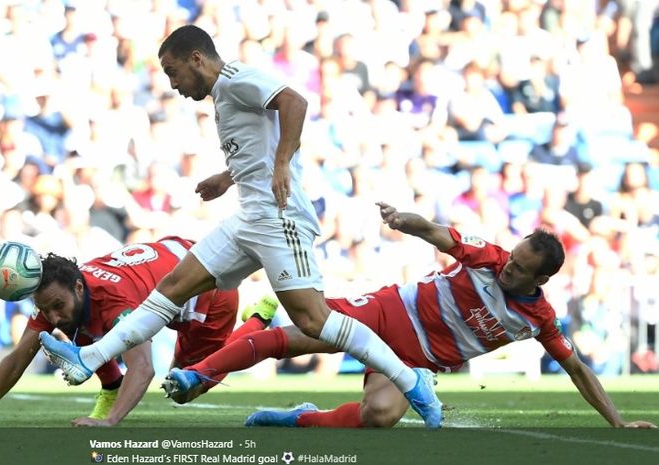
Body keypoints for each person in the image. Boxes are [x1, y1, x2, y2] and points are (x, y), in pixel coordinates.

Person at [38, 25, 441, 428]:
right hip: (249, 217)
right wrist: (228, 176)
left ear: (197, 58)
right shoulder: (223, 96)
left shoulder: (236, 80)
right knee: (174, 287)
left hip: (279, 217)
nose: (172, 83)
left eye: (173, 71)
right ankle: (89, 357)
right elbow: (257, 146)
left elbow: (294, 102)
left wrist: (282, 164)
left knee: (314, 320)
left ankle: (411, 380)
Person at [163, 203, 656, 429]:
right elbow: (438, 233)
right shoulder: (488, 256)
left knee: (379, 417)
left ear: (540, 281)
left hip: (415, 363)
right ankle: (196, 374)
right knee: (300, 336)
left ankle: (299, 420)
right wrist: (405, 220)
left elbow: (576, 368)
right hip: (387, 313)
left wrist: (615, 422)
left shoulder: (539, 320)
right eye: (513, 257)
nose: (509, 267)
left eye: (521, 268)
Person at [0, 236, 276, 427]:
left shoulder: (114, 303)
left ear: (79, 287)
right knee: (77, 323)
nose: (52, 316)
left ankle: (258, 320)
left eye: (57, 305)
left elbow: (143, 367)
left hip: (209, 289)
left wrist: (108, 423)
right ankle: (111, 385)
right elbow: (17, 359)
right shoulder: (59, 293)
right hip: (171, 260)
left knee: (186, 386)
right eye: (46, 309)